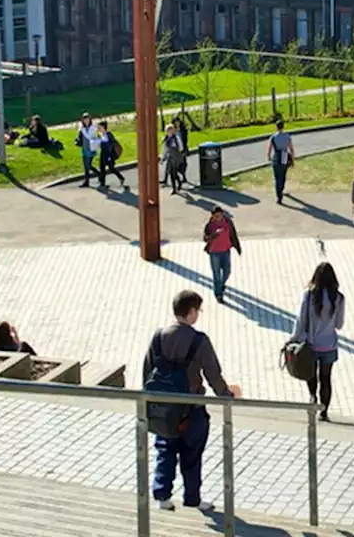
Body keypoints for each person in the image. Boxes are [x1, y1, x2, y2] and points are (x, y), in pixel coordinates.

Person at [145, 291, 240, 512]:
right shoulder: (199, 340)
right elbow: (213, 373)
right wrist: (226, 395)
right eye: (198, 310)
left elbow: (148, 370)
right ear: (191, 311)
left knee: (165, 449)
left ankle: (162, 496)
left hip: (164, 406)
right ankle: (192, 498)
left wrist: (150, 400)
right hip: (192, 409)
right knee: (192, 454)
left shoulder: (159, 337)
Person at [289, 263, 346, 422]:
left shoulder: (308, 296)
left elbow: (300, 319)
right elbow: (339, 325)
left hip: (311, 344)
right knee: (326, 378)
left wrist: (294, 338)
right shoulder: (339, 298)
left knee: (311, 374)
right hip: (329, 344)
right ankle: (324, 411)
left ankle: (312, 397)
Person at [203, 207, 241, 303]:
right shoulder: (210, 225)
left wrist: (238, 247)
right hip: (214, 252)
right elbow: (205, 238)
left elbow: (233, 234)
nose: (218, 218)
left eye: (219, 215)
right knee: (216, 274)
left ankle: (221, 285)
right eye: (216, 216)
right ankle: (218, 294)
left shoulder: (228, 222)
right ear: (212, 216)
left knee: (227, 271)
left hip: (226, 251)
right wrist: (214, 235)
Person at [266, 121, 294, 204]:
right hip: (284, 156)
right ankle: (281, 189)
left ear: (276, 127)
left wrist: (269, 157)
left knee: (276, 176)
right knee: (283, 175)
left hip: (276, 157)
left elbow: (269, 149)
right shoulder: (287, 137)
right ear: (283, 127)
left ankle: (279, 195)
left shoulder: (273, 137)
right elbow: (291, 149)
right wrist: (292, 159)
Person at [97, 121, 126, 188]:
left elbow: (112, 144)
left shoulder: (109, 134)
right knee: (102, 167)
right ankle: (102, 183)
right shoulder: (99, 134)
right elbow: (99, 143)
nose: (98, 128)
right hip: (103, 152)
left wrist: (108, 150)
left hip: (109, 153)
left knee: (111, 168)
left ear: (104, 127)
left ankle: (121, 178)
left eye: (100, 127)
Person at [75, 113, 101, 188]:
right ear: (83, 120)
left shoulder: (93, 128)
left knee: (88, 165)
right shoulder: (81, 128)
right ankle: (86, 182)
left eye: (88, 119)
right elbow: (79, 137)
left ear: (90, 120)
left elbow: (96, 136)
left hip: (91, 148)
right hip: (84, 148)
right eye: (85, 120)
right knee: (86, 167)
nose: (86, 121)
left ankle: (99, 174)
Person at [162, 124, 184, 195]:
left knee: (173, 172)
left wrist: (178, 152)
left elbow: (181, 147)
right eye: (168, 130)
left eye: (171, 130)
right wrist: (163, 158)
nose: (170, 132)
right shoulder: (165, 139)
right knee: (171, 172)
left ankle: (178, 184)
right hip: (170, 157)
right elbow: (164, 149)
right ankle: (175, 187)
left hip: (176, 156)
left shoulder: (176, 138)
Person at [174, 113, 192, 185]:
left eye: (178, 122)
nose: (177, 123)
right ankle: (180, 176)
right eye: (175, 122)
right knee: (177, 164)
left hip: (183, 148)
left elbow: (185, 139)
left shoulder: (183, 130)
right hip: (176, 149)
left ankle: (184, 177)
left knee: (184, 163)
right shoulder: (173, 130)